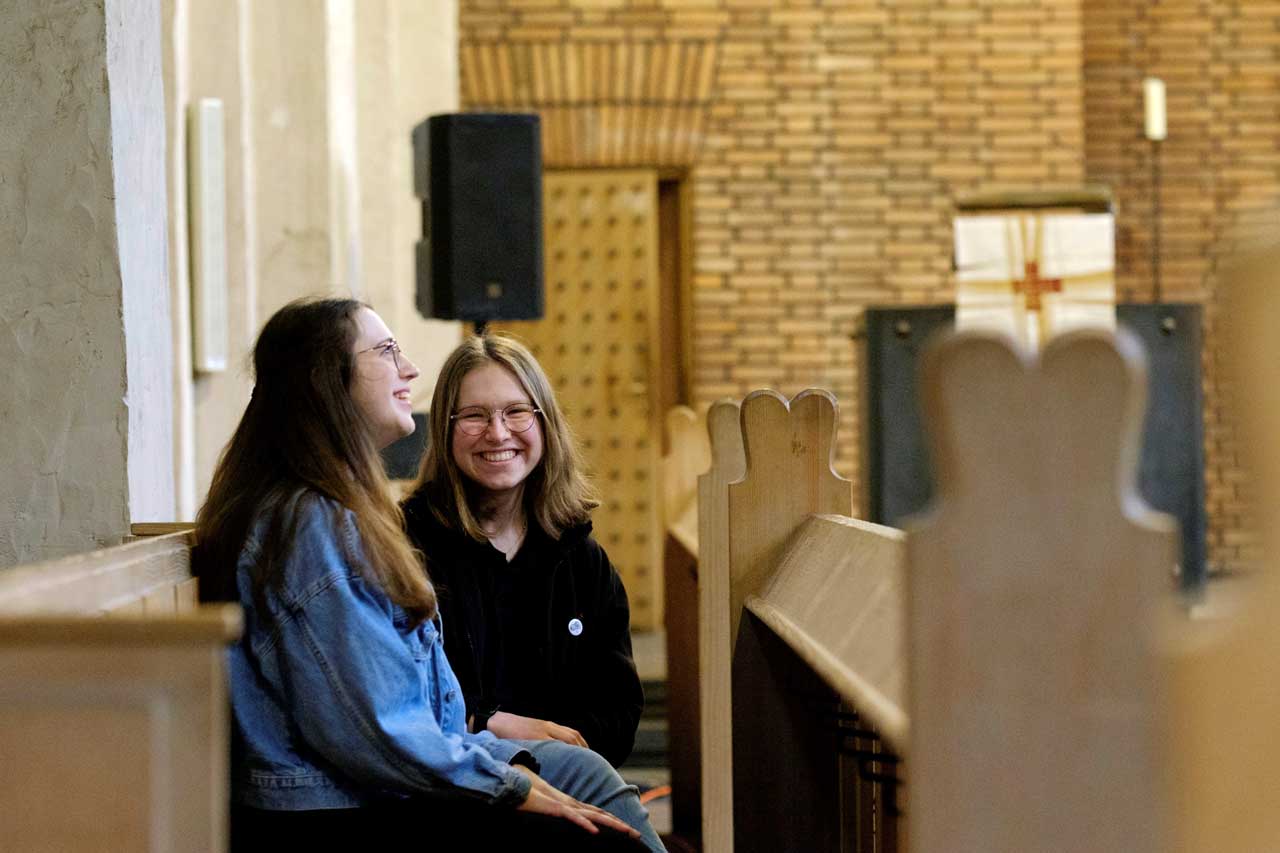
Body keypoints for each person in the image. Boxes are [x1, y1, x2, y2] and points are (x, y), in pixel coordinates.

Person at [192, 298, 663, 851]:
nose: (410, 369)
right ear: (328, 381)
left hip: (401, 774)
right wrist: (509, 781)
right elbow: (380, 733)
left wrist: (513, 760)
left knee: (586, 781)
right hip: (350, 803)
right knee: (585, 820)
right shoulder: (315, 524)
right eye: (387, 351)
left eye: (516, 412)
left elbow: (605, 704)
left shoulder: (336, 514)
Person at [401, 334, 644, 769]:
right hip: (450, 785)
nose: (498, 433)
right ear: (444, 428)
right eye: (474, 416)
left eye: (516, 412)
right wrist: (490, 724)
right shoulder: (406, 546)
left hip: (566, 779)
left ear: (545, 423)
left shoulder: (583, 559)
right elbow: (398, 700)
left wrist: (551, 758)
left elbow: (619, 712)